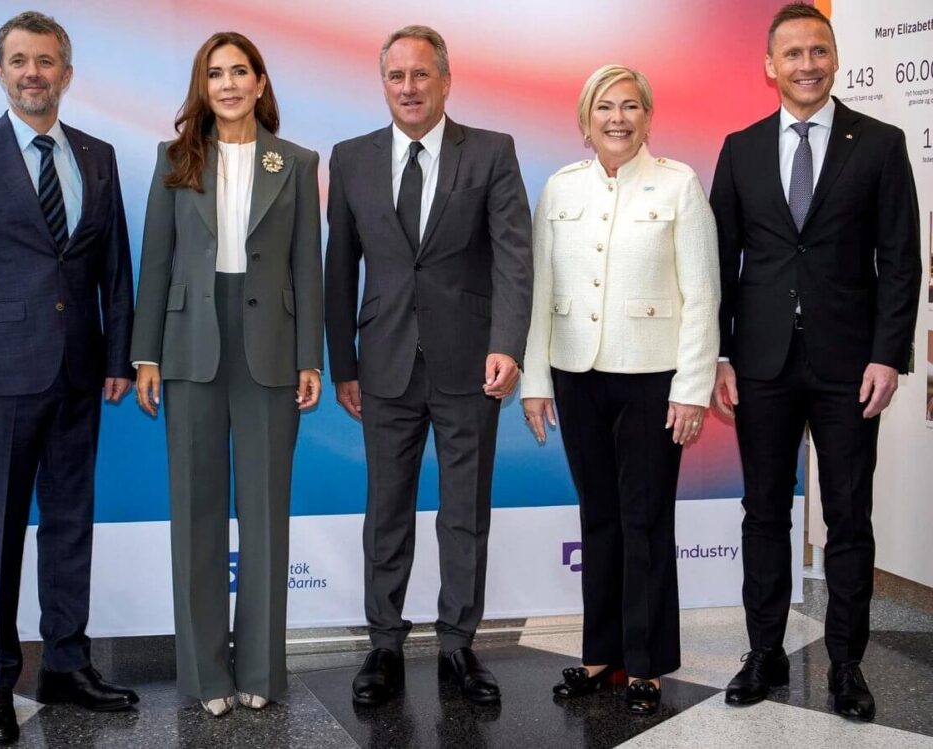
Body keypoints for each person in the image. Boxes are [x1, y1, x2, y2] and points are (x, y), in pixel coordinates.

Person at [0, 11, 138, 743]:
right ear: (0, 71)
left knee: (70, 524)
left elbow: (115, 269)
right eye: (19, 61)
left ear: (66, 73)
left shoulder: (99, 155)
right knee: (2, 530)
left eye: (46, 61)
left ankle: (67, 665)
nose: (33, 73)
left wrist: (116, 358)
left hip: (80, 374)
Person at [710, 2, 921, 722]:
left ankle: (846, 666)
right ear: (769, 66)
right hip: (761, 364)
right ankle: (763, 651)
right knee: (763, 512)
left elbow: (900, 262)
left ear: (834, 59)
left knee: (849, 517)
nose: (807, 64)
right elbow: (717, 264)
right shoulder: (739, 149)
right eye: (792, 53)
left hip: (848, 366)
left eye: (818, 51)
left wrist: (889, 355)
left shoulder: (882, 144)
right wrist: (721, 353)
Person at [325, 25, 532, 706]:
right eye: (396, 76)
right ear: (382, 83)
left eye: (420, 75)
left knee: (464, 511)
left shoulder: (493, 152)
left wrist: (508, 343)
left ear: (445, 80)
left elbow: (512, 257)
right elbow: (339, 269)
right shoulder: (351, 158)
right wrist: (343, 362)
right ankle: (383, 643)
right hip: (382, 365)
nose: (409, 88)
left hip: (471, 364)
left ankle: (457, 646)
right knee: (385, 508)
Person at [130, 32, 322, 717]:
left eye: (241, 71)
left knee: (266, 513)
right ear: (203, 87)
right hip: (189, 345)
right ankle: (207, 674)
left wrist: (309, 357)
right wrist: (145, 353)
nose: (229, 83)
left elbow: (308, 264)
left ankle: (261, 670)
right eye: (216, 73)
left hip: (269, 347)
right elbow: (156, 259)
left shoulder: (296, 162)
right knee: (197, 512)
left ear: (262, 82)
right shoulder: (174, 158)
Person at [521, 64, 720, 715]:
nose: (617, 117)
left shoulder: (679, 184)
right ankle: (602, 651)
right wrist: (536, 379)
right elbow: (541, 291)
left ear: (646, 116)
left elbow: (702, 295)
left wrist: (691, 386)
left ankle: (647, 660)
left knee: (645, 519)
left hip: (652, 379)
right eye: (605, 106)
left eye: (630, 106)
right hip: (577, 375)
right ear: (586, 118)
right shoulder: (560, 187)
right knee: (599, 516)